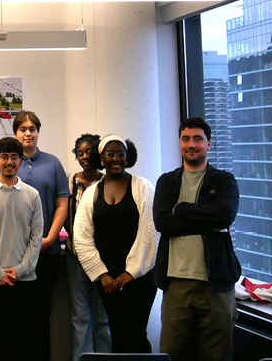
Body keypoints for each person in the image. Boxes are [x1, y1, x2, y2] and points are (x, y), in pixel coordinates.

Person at [155, 117, 241, 361]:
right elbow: (162, 222)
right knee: (173, 355)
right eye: (185, 139)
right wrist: (206, 218)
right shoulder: (167, 181)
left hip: (216, 283)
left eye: (198, 139)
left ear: (209, 144)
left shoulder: (224, 180)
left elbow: (224, 215)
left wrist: (181, 209)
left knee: (218, 355)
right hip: (176, 283)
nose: (191, 145)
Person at [74, 135, 158, 353]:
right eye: (110, 154)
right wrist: (102, 274)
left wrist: (131, 272)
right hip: (108, 280)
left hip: (140, 278)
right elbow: (81, 236)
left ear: (128, 157)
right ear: (101, 159)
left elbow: (149, 232)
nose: (116, 158)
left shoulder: (143, 186)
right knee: (118, 335)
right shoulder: (92, 193)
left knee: (137, 334)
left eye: (121, 153)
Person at [0, 136, 42, 361]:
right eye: (4, 157)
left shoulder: (32, 195)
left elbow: (36, 238)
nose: (9, 162)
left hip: (24, 281)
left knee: (22, 343)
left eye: (14, 157)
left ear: (21, 162)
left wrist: (21, 270)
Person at [12, 111, 68, 361]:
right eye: (23, 128)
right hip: (15, 254)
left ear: (38, 132)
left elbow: (62, 204)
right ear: (15, 133)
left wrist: (50, 237)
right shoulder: (9, 163)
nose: (28, 133)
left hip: (47, 250)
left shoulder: (53, 163)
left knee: (41, 311)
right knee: (18, 313)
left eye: (32, 128)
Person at [64, 134, 111, 358]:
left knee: (103, 316)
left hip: (103, 260)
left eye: (89, 151)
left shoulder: (108, 181)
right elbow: (63, 213)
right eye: (80, 152)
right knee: (80, 316)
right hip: (75, 258)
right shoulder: (71, 181)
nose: (84, 156)